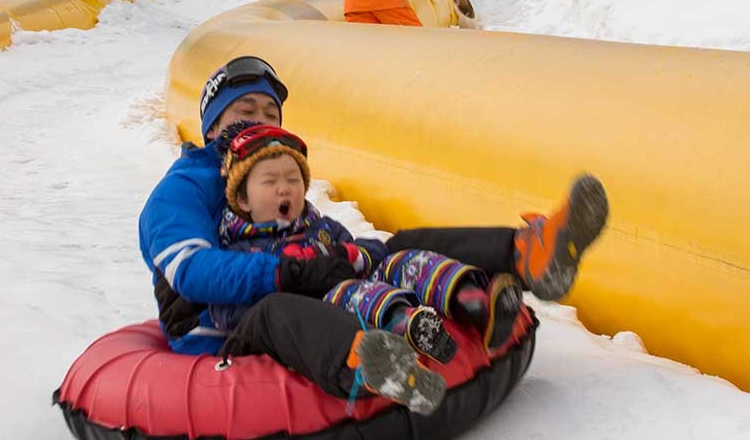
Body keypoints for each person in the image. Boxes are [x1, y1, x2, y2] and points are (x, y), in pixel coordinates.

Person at [138, 57, 609, 412]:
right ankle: (370, 363)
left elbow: (319, 236)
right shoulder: (186, 186)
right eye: (245, 110)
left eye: (271, 111)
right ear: (214, 124)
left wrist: (353, 255)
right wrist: (291, 271)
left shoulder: (272, 173)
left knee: (393, 247)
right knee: (276, 307)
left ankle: (527, 255)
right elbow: (192, 271)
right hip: (222, 330)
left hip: (299, 292)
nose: (262, 119)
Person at [210, 122, 524, 359]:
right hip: (327, 312)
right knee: (347, 292)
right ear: (243, 198)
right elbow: (230, 314)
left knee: (400, 260)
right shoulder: (241, 253)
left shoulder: (320, 227)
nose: (284, 189)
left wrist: (351, 254)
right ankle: (409, 324)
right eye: (270, 181)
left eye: (293, 180)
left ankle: (472, 300)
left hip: (363, 282)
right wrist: (290, 278)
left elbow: (368, 251)